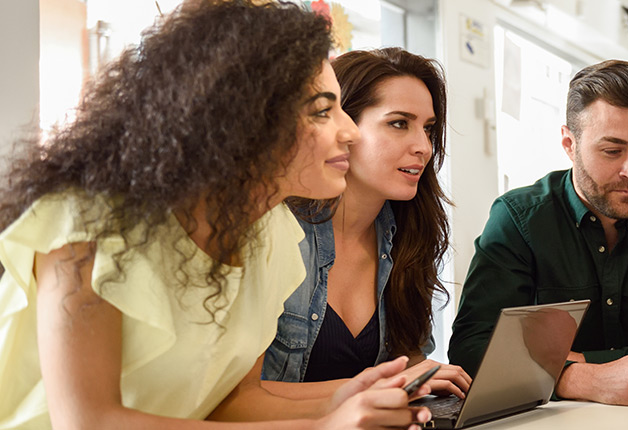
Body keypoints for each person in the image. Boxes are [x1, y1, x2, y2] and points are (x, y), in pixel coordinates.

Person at [0, 2, 431, 428]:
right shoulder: (85, 223)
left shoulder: (273, 234)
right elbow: (89, 422)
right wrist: (323, 426)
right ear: (242, 120)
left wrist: (346, 399)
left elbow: (237, 402)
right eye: (322, 111)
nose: (349, 131)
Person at [448, 60, 628, 406]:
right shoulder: (519, 219)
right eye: (612, 151)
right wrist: (578, 378)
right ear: (568, 144)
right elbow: (471, 350)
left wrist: (588, 362)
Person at [260, 48, 471, 399]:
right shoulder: (278, 231)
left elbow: (408, 360)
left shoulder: (409, 233)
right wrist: (381, 388)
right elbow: (235, 398)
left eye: (428, 129)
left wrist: (422, 377)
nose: (423, 147)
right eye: (399, 123)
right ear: (342, 126)